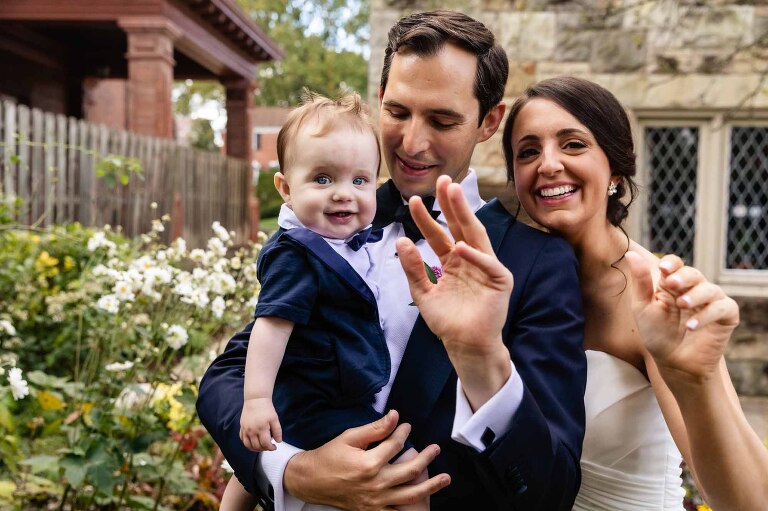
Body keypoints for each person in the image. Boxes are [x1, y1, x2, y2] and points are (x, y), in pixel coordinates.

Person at [197, 10, 587, 511]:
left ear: (489, 121)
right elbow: (227, 377)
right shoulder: (329, 219)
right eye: (398, 112)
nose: (412, 143)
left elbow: (550, 489)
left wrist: (482, 358)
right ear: (379, 100)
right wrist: (293, 470)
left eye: (443, 120)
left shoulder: (537, 263)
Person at [401, 75, 768, 510]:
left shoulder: (655, 295)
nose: (548, 164)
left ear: (614, 166)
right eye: (528, 151)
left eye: (573, 144)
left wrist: (698, 379)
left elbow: (749, 501)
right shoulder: (500, 281)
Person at [218, 91, 426, 511]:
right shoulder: (298, 254)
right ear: (286, 188)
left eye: (359, 180)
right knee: (409, 472)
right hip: (315, 399)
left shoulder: (345, 241)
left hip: (320, 393)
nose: (343, 194)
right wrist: (256, 400)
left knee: (249, 470)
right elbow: (271, 327)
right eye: (323, 179)